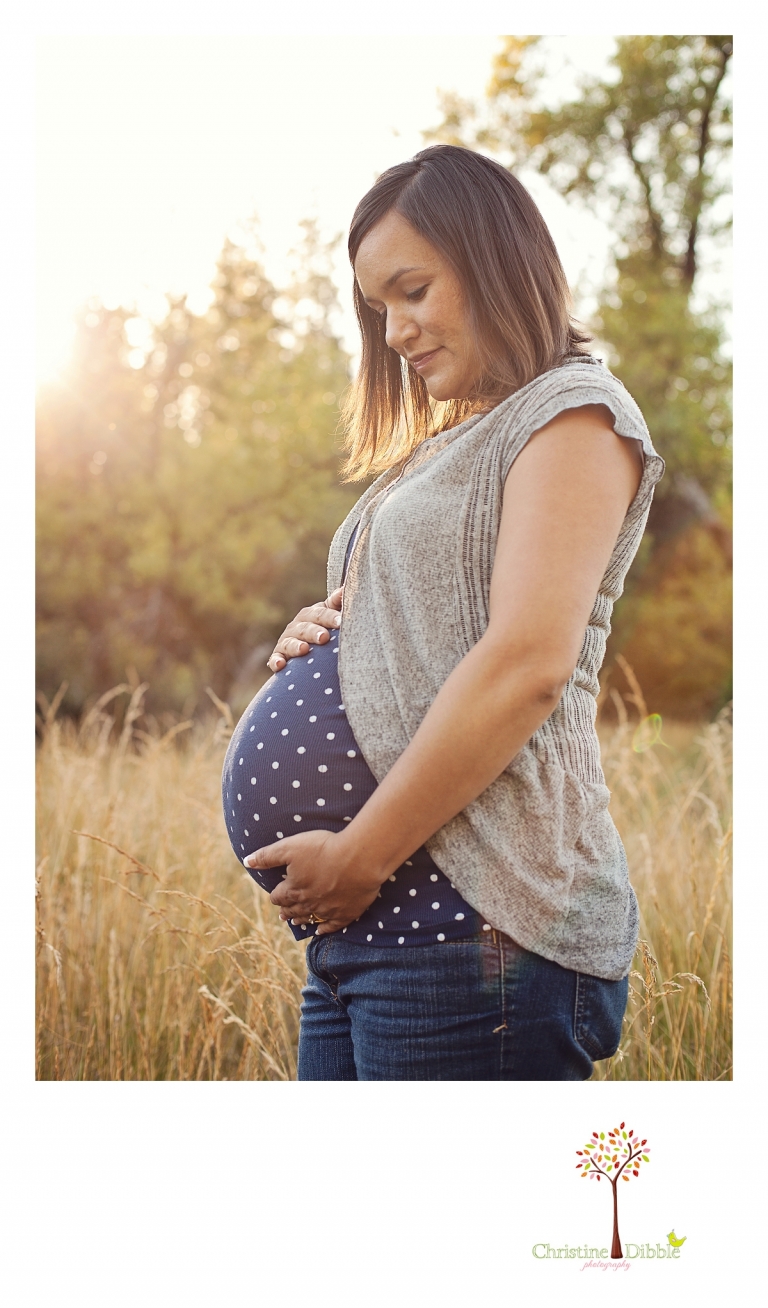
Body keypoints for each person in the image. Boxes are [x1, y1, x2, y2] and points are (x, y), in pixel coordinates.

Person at [223, 144, 664, 1080]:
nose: (393, 332)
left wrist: (360, 856)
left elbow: (526, 663)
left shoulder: (573, 414)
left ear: (496, 259)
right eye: (378, 309)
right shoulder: (451, 440)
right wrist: (324, 638)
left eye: (412, 291)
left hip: (481, 929)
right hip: (371, 933)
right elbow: (429, 624)